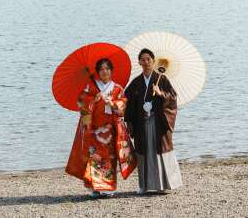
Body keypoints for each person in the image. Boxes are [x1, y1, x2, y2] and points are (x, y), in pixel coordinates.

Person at [65, 58, 136, 197]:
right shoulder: (90, 87)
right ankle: (95, 188)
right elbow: (81, 102)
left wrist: (113, 103)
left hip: (110, 130)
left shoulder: (117, 88)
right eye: (102, 69)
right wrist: (94, 99)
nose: (105, 72)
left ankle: (108, 188)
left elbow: (123, 105)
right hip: (94, 130)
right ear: (97, 72)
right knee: (94, 158)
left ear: (111, 71)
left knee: (110, 158)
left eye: (107, 69)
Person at [124, 48, 183, 194]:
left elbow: (173, 97)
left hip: (158, 123)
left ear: (153, 61)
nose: (146, 62)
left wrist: (161, 93)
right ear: (139, 62)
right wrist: (130, 116)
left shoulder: (161, 79)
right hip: (142, 123)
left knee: (160, 151)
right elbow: (126, 100)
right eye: (142, 60)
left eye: (148, 59)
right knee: (144, 152)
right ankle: (144, 185)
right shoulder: (136, 82)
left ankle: (162, 185)